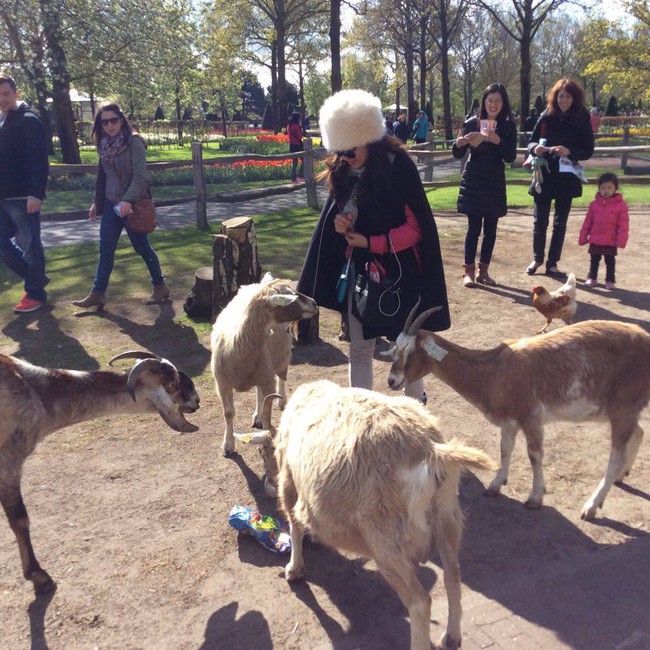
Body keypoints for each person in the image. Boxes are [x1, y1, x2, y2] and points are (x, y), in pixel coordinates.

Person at [297, 89, 450, 402]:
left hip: (400, 275)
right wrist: (341, 224)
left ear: (368, 138)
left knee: (405, 344)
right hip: (360, 274)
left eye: (350, 151)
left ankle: (413, 410)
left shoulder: (398, 168)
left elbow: (417, 229)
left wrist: (372, 242)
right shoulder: (343, 169)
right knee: (359, 346)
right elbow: (341, 213)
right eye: (340, 151)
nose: (344, 158)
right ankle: (361, 415)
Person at [72, 103, 169, 310]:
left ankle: (160, 286)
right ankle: (98, 293)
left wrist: (127, 200)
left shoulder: (134, 142)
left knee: (142, 247)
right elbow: (103, 177)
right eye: (104, 121)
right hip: (110, 206)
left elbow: (140, 176)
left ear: (121, 119)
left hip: (131, 206)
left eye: (113, 120)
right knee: (105, 250)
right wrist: (96, 203)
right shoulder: (104, 144)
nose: (109, 125)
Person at [526, 78, 594, 279]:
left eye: (567, 96)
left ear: (575, 98)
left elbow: (588, 150)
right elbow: (530, 142)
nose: (563, 100)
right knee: (540, 221)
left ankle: (552, 263)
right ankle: (537, 258)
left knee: (560, 222)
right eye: (560, 96)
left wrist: (569, 151)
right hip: (545, 175)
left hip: (567, 176)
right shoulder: (547, 115)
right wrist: (535, 148)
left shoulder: (582, 118)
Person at [452, 83, 517, 287]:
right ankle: (468, 272)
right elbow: (458, 153)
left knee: (491, 229)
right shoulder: (472, 122)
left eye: (497, 100)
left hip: (494, 181)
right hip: (475, 180)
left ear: (503, 103)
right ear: (484, 102)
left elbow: (511, 156)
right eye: (490, 100)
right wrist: (460, 143)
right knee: (473, 228)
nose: (493, 104)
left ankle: (483, 271)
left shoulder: (507, 126)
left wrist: (498, 141)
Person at [0, 74, 49, 313]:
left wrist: (36, 194)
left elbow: (40, 160)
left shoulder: (29, 120)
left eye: (5, 93)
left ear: (16, 94)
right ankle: (36, 279)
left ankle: (35, 293)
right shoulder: (3, 121)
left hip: (23, 197)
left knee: (30, 244)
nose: (1, 99)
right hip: (3, 197)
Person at [578, 172, 629, 290]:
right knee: (594, 260)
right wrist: (583, 237)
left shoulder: (621, 206)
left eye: (609, 187)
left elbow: (623, 225)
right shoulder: (594, 205)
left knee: (610, 261)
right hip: (595, 239)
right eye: (603, 187)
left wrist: (621, 241)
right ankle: (592, 278)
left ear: (615, 188)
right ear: (599, 188)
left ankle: (610, 280)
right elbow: (587, 223)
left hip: (610, 240)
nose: (606, 190)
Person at [287, 111, 304, 183]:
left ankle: (293, 179)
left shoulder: (289, 126)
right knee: (305, 160)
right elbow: (299, 136)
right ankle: (300, 175)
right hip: (298, 145)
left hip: (292, 145)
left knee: (295, 163)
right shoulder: (297, 126)